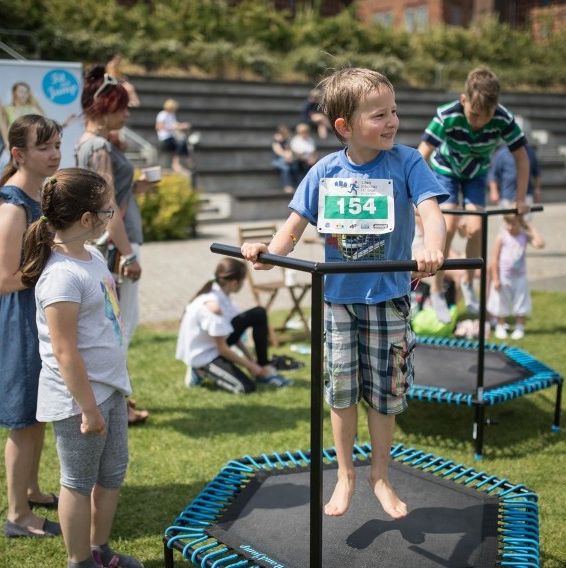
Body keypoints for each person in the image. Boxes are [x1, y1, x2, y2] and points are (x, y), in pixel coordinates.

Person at [242, 67, 448, 520]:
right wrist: (266, 253)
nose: (392, 121)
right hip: (336, 302)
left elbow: (432, 213)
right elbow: (292, 229)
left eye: (394, 111)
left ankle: (379, 474)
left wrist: (433, 248)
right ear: (345, 126)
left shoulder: (408, 162)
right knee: (340, 391)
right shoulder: (324, 171)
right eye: (379, 115)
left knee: (384, 393)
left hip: (388, 298)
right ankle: (345, 474)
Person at [20, 168, 143, 568]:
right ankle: (79, 561)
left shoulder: (90, 256)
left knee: (112, 474)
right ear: (86, 219)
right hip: (80, 401)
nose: (111, 218)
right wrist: (88, 409)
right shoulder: (60, 277)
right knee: (77, 482)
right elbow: (65, 351)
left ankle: (99, 549)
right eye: (107, 212)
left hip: (108, 389)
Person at [0, 114, 63, 538]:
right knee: (23, 419)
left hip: (37, 317)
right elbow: (4, 280)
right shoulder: (14, 207)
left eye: (56, 145)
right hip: (22, 323)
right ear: (19, 154)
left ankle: (31, 488)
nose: (54, 154)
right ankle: (17, 515)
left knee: (37, 415)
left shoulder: (38, 193)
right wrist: (57, 268)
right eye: (44, 147)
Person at [418, 66, 530, 319]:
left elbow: (522, 159)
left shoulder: (503, 119)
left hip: (476, 174)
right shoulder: (446, 115)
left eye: (486, 116)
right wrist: (421, 196)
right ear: (463, 99)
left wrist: (520, 199)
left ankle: (467, 282)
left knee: (477, 228)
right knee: (447, 225)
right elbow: (421, 154)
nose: (479, 122)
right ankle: (436, 288)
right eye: (474, 114)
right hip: (445, 170)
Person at [76, 65, 152, 425]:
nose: (127, 114)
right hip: (117, 246)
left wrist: (136, 188)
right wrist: (129, 253)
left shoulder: (90, 145)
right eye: (122, 107)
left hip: (115, 242)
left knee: (116, 326)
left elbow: (110, 196)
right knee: (119, 327)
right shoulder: (99, 146)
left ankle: (119, 399)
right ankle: (116, 402)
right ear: (105, 107)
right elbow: (106, 207)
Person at [175, 258, 292, 393]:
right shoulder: (214, 307)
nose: (243, 284)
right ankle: (198, 370)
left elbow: (232, 334)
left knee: (258, 313)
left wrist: (253, 362)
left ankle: (263, 363)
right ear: (234, 282)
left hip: (215, 346)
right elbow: (222, 349)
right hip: (204, 356)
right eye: (243, 281)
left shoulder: (223, 296)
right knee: (245, 388)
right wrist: (252, 368)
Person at [485, 214, 545, 340]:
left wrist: (530, 227)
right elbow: (494, 259)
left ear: (520, 223)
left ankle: (519, 326)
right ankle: (500, 325)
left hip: (520, 276)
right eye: (508, 223)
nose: (510, 227)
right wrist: (495, 278)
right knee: (501, 301)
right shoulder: (501, 237)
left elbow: (540, 244)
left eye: (514, 223)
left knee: (521, 301)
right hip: (503, 276)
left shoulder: (524, 236)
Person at [488, 142, 541, 211]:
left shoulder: (530, 153)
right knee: (508, 219)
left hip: (526, 195)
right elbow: (493, 174)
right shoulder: (501, 153)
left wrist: (537, 189)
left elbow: (537, 174)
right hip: (507, 195)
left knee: (525, 219)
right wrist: (494, 191)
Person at [5, 81, 77, 129]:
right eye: (21, 91)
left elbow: (46, 123)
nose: (24, 95)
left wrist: (63, 124)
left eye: (26, 92)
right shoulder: (7, 109)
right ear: (14, 93)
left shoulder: (31, 109)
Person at [155, 98, 192, 174]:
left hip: (171, 137)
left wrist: (183, 125)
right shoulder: (162, 114)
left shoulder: (172, 115)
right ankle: (175, 163)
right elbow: (159, 127)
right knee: (180, 144)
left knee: (184, 143)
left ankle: (189, 161)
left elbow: (175, 124)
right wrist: (174, 128)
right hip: (165, 138)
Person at [271, 124, 300, 194]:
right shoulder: (276, 141)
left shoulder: (287, 140)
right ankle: (287, 186)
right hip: (277, 160)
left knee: (294, 166)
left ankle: (298, 185)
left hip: (287, 159)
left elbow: (289, 150)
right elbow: (278, 151)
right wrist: (286, 156)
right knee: (286, 168)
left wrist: (290, 157)